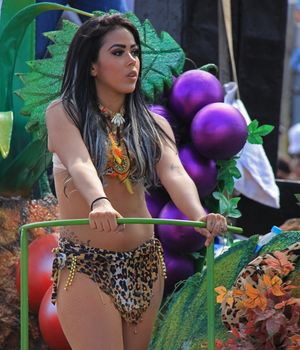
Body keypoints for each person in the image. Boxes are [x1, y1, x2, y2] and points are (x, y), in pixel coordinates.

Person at [46, 14, 227, 350]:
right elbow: (80, 161)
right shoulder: (63, 113)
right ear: (92, 66)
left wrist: (198, 215)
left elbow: (174, 172)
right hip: (86, 266)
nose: (132, 61)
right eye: (118, 52)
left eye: (134, 51)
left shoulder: (153, 125)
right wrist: (99, 201)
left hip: (145, 264)